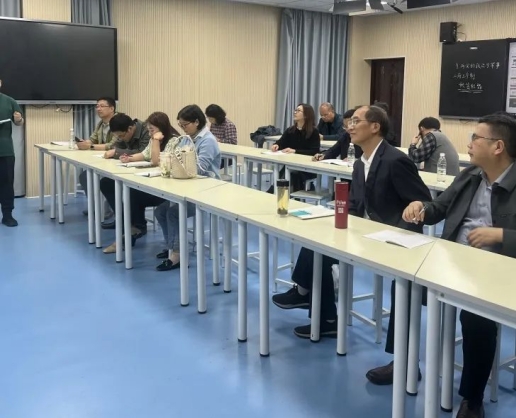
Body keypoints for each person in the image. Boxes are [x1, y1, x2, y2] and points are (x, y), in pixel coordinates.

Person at [272, 105, 431, 338]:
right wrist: (335, 220)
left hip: (390, 238)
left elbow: (424, 202)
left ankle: (305, 294)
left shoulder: (395, 160)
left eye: (356, 122)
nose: (350, 127)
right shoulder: (360, 162)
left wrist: (411, 212)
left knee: (321, 249)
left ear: (375, 127)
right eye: (350, 122)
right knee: (317, 241)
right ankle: (325, 317)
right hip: (363, 231)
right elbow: (357, 205)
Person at [402, 113, 516, 418]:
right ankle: (404, 363)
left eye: (476, 138)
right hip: (455, 257)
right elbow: (440, 207)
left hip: (498, 269)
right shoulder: (470, 175)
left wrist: (501, 235)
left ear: (498, 147)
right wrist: (421, 207)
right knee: (405, 283)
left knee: (476, 317)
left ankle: (472, 398)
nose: (469, 144)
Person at [102, 112, 180, 254]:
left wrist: (155, 140)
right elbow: (145, 154)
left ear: (162, 127)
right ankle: (132, 227)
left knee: (131, 192)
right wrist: (129, 158)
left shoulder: (173, 140)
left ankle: (134, 228)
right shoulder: (154, 139)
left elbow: (155, 160)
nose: (150, 133)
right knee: (112, 185)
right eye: (148, 130)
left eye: (152, 130)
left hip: (167, 190)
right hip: (155, 183)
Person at [154, 105, 221, 271]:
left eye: (185, 125)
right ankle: (171, 246)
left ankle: (178, 255)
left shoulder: (208, 140)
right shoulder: (186, 138)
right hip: (188, 186)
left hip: (207, 190)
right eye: (180, 125)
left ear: (196, 122)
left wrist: (177, 164)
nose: (182, 128)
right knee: (160, 211)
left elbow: (200, 168)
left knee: (173, 213)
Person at [97, 113, 151, 231]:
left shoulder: (146, 131)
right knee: (106, 183)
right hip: (131, 168)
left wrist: (116, 153)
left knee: (132, 189)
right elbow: (117, 146)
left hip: (147, 171)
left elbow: (143, 152)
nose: (120, 138)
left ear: (130, 129)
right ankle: (122, 219)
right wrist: (117, 151)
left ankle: (138, 226)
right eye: (118, 136)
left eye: (121, 136)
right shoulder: (123, 132)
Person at [267, 103, 320, 193]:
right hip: (292, 164)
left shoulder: (313, 132)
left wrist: (295, 151)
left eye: (298, 111)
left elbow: (314, 151)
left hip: (307, 167)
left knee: (290, 172)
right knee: (286, 170)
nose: (295, 112)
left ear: (306, 115)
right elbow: (281, 142)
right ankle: (276, 192)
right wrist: (276, 145)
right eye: (295, 110)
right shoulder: (290, 130)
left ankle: (275, 192)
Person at [77, 97, 117, 200]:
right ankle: (94, 205)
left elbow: (113, 145)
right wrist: (84, 143)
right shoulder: (101, 123)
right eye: (97, 106)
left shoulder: (118, 122)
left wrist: (90, 146)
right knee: (84, 177)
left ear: (112, 108)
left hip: (115, 160)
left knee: (91, 177)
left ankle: (104, 206)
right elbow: (93, 139)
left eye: (102, 106)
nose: (98, 109)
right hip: (104, 159)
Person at [0, 78, 24, 227]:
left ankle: (7, 215)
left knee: (7, 184)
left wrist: (19, 118)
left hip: (5, 150)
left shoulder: (9, 101)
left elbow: (19, 122)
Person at [205, 104, 237, 169]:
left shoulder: (228, 125)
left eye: (211, 118)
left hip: (226, 156)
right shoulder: (213, 124)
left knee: (208, 164)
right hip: (215, 152)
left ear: (217, 117)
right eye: (208, 118)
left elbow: (233, 142)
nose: (209, 121)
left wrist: (219, 140)